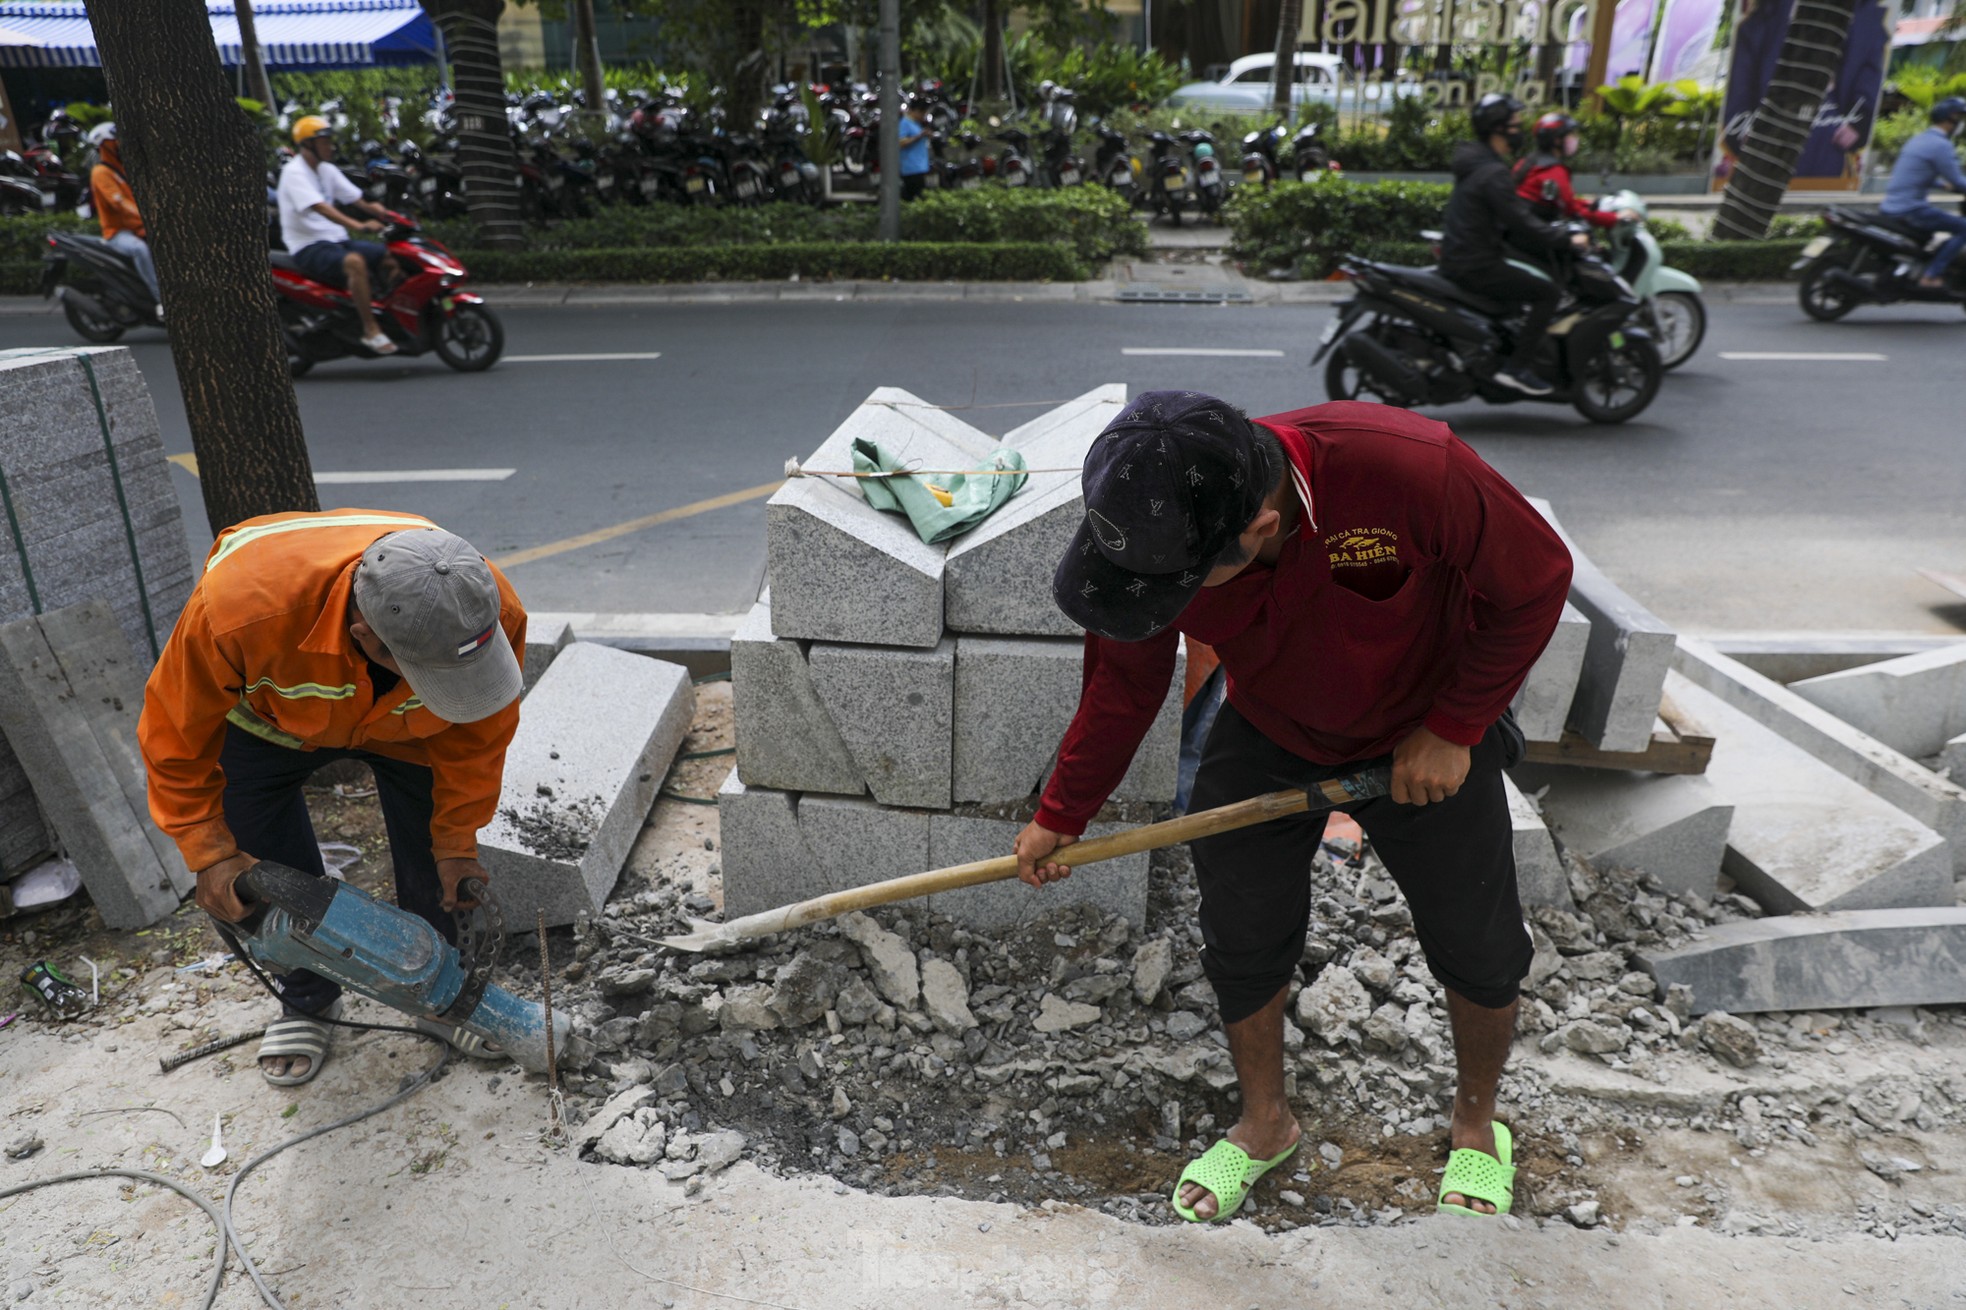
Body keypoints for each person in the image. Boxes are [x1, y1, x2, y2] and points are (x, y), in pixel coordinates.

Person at [1013, 391, 1572, 1223]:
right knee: (1241, 937)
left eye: (1181, 590)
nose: (1163, 603)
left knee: (1481, 945)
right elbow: (1125, 684)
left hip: (1421, 733)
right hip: (1270, 726)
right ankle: (1265, 1122)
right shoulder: (1154, 538)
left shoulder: (1407, 469)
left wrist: (1455, 727)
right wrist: (1064, 810)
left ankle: (1476, 1126)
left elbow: (1536, 581)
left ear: (1260, 531)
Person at [138, 510, 527, 1087]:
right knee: (270, 868)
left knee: (433, 861)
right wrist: (209, 852)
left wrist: (455, 841)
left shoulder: (482, 605)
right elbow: (174, 734)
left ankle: (443, 990)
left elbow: (480, 736)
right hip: (269, 727)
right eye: (432, 672)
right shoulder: (237, 612)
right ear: (365, 636)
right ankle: (308, 998)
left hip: (406, 728)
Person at [1438, 94, 1587, 398]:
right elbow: (1519, 220)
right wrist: (1565, 239)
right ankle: (1515, 369)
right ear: (1498, 130)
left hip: (1465, 253)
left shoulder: (1479, 162)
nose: (1520, 131)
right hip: (1476, 262)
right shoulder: (1493, 173)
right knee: (1548, 293)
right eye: (1515, 125)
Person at [277, 115, 399, 354]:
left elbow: (360, 201)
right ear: (308, 145)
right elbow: (321, 208)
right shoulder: (294, 173)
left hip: (337, 241)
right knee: (355, 263)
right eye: (324, 141)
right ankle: (370, 329)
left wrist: (391, 217)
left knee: (392, 256)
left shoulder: (327, 170)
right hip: (308, 246)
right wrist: (360, 225)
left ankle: (385, 312)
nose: (329, 146)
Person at [1879, 97, 1966, 290]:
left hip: (1892, 206)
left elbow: (1918, 175)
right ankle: (1931, 275)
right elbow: (1958, 180)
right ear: (1949, 119)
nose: (1961, 123)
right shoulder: (1941, 146)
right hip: (1911, 210)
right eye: (1959, 118)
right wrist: (1954, 185)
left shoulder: (1919, 140)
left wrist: (1943, 187)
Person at [85, 122, 161, 315]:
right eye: (115, 140)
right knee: (140, 250)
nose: (120, 143)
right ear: (104, 145)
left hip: (139, 229)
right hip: (118, 234)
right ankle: (161, 300)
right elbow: (118, 203)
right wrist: (146, 219)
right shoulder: (101, 173)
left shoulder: (124, 169)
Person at [1512, 113, 1621, 231]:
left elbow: (1566, 201)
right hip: (1535, 235)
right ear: (1557, 140)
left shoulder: (1527, 161)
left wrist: (1588, 204)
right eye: (1570, 135)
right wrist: (1615, 218)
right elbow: (1572, 210)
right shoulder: (1553, 171)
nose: (1575, 139)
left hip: (1521, 229)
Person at [897, 97, 932, 201]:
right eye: (923, 113)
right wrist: (919, 136)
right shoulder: (904, 123)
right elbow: (901, 142)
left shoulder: (916, 123)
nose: (923, 116)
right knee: (914, 197)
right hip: (911, 168)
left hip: (920, 166)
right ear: (916, 111)